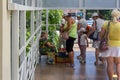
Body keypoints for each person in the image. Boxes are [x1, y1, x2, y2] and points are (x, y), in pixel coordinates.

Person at [100, 9, 120, 80]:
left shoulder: (106, 23)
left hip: (108, 45)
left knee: (110, 64)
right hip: (118, 46)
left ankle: (110, 79)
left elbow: (101, 35)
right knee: (118, 64)